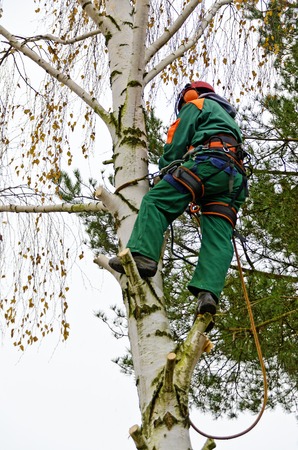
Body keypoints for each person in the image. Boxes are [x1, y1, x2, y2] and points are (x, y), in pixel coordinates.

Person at [109, 81, 248, 331]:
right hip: (233, 181)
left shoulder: (196, 104)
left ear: (190, 95)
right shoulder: (228, 120)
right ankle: (208, 295)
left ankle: (143, 255)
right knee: (218, 237)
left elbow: (176, 143)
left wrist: (166, 169)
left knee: (156, 202)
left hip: (208, 166)